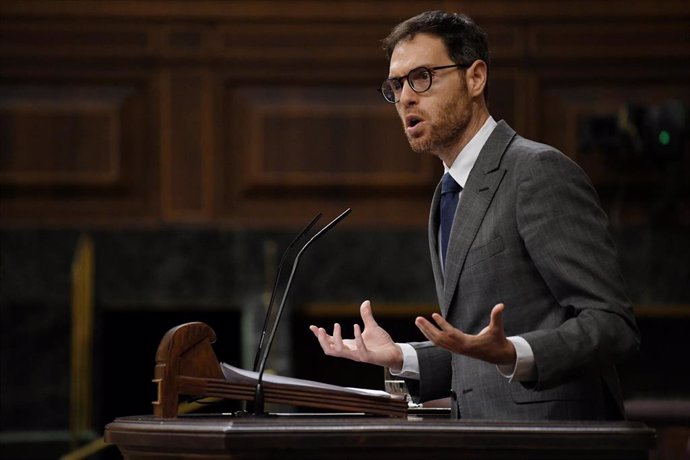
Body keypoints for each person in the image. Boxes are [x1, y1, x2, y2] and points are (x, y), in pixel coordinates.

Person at [309, 10, 640, 420]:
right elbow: (476, 351)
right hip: (481, 437)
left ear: (475, 78)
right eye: (396, 85)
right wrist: (401, 357)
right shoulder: (448, 193)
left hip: (551, 439)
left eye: (422, 77)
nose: (406, 97)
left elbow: (612, 325)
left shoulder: (535, 172)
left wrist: (517, 352)